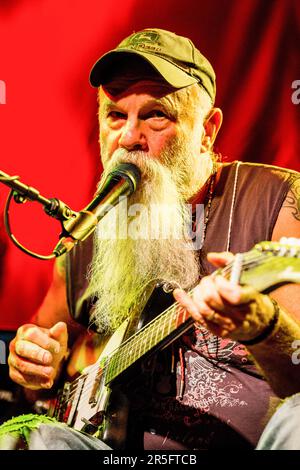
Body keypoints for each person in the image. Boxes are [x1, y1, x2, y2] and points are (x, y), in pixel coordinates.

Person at [3, 28, 300, 450]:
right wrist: (33, 365)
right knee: (27, 439)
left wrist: (263, 327)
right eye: (115, 115)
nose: (128, 138)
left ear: (207, 130)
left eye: (155, 115)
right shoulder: (89, 235)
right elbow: (38, 375)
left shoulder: (277, 200)